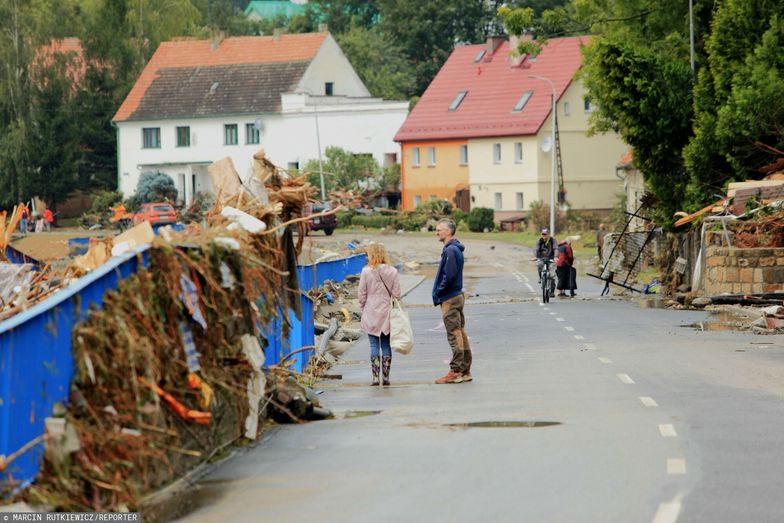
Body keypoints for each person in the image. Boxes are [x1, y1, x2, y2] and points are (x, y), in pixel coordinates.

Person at [433, 218, 472, 384]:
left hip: (450, 296)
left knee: (454, 334)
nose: (437, 232)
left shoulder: (450, 251)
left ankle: (456, 371)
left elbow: (448, 276)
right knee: (460, 332)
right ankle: (464, 370)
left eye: (439, 229)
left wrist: (440, 291)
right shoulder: (455, 249)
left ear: (448, 232)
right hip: (456, 295)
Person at [358, 243, 401, 386]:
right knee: (386, 344)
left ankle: (375, 378)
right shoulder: (393, 271)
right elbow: (397, 294)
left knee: (373, 345)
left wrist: (362, 308)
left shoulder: (366, 271)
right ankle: (386, 377)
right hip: (387, 311)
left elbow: (362, 295)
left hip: (371, 310)